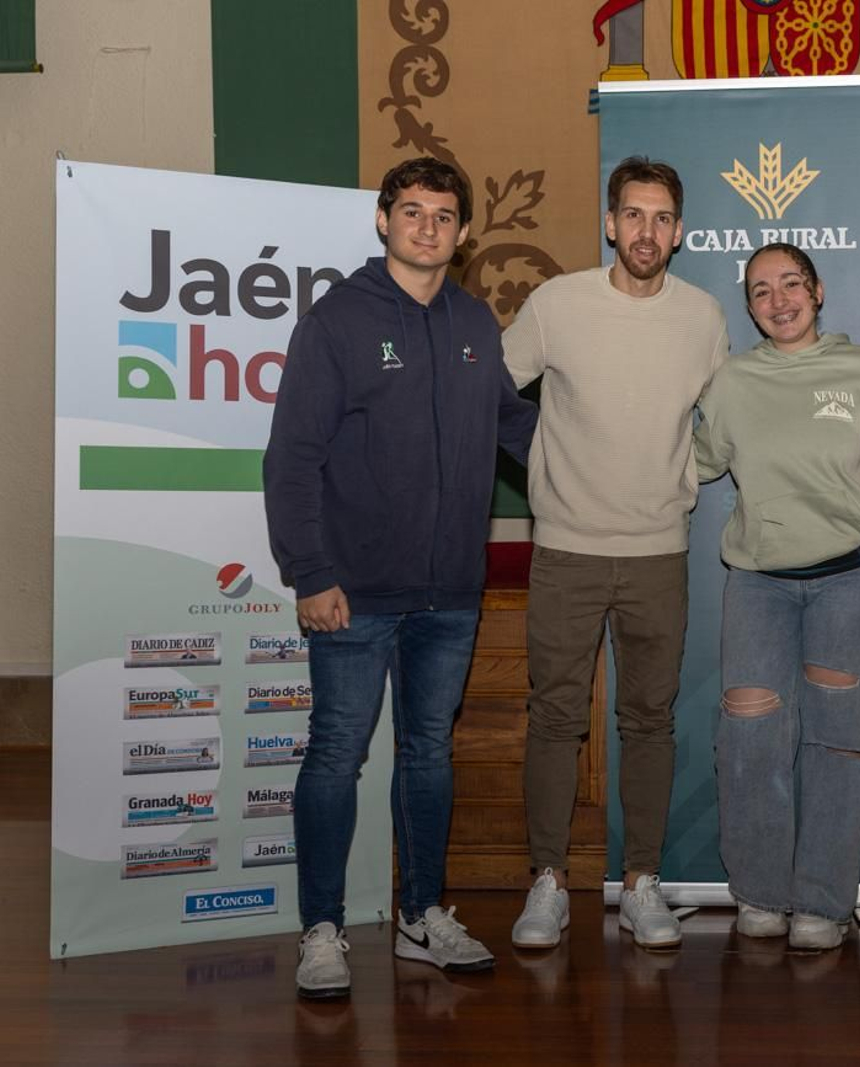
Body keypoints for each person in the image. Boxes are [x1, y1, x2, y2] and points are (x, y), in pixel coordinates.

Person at [263, 156, 538, 1000]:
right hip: (352, 592)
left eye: (444, 215)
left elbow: (514, 425)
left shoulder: (475, 320)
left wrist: (603, 454)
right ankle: (321, 928)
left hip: (450, 591)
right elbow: (291, 458)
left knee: (428, 753)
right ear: (383, 220)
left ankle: (422, 915)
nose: (428, 226)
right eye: (412, 211)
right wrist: (310, 572)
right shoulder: (337, 321)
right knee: (335, 754)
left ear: (464, 233)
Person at [502, 157, 729, 950]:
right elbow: (491, 392)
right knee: (554, 717)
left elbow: (725, 422)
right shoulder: (557, 303)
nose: (647, 231)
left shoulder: (703, 316)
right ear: (610, 223)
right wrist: (542, 460)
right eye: (634, 215)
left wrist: (682, 475)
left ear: (680, 231)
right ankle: (548, 882)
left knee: (650, 720)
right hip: (566, 548)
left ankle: (641, 882)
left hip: (659, 551)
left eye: (662, 218)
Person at [694, 243, 860, 951]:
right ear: (749, 307)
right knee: (750, 735)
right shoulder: (732, 381)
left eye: (790, 284)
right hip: (759, 585)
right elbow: (691, 462)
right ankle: (760, 891)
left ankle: (823, 902)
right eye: (760, 291)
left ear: (818, 290)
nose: (778, 301)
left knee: (837, 739)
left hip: (853, 579)